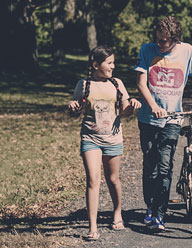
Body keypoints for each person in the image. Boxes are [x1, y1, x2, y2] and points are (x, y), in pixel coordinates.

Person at [134, 16, 192, 232]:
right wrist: (153, 107)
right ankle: (150, 207)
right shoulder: (147, 50)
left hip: (172, 119)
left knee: (165, 167)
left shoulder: (186, 51)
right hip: (149, 119)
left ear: (176, 39)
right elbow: (141, 83)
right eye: (158, 39)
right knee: (151, 168)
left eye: (165, 41)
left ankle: (160, 213)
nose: (160, 44)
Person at [69, 45, 141, 240]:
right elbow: (74, 111)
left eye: (113, 62)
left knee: (113, 179)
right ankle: (92, 227)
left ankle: (117, 212)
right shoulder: (83, 85)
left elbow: (124, 111)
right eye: (109, 63)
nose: (113, 66)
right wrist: (73, 106)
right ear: (95, 64)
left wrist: (132, 106)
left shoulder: (117, 83)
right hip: (90, 137)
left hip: (112, 138)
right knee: (93, 180)